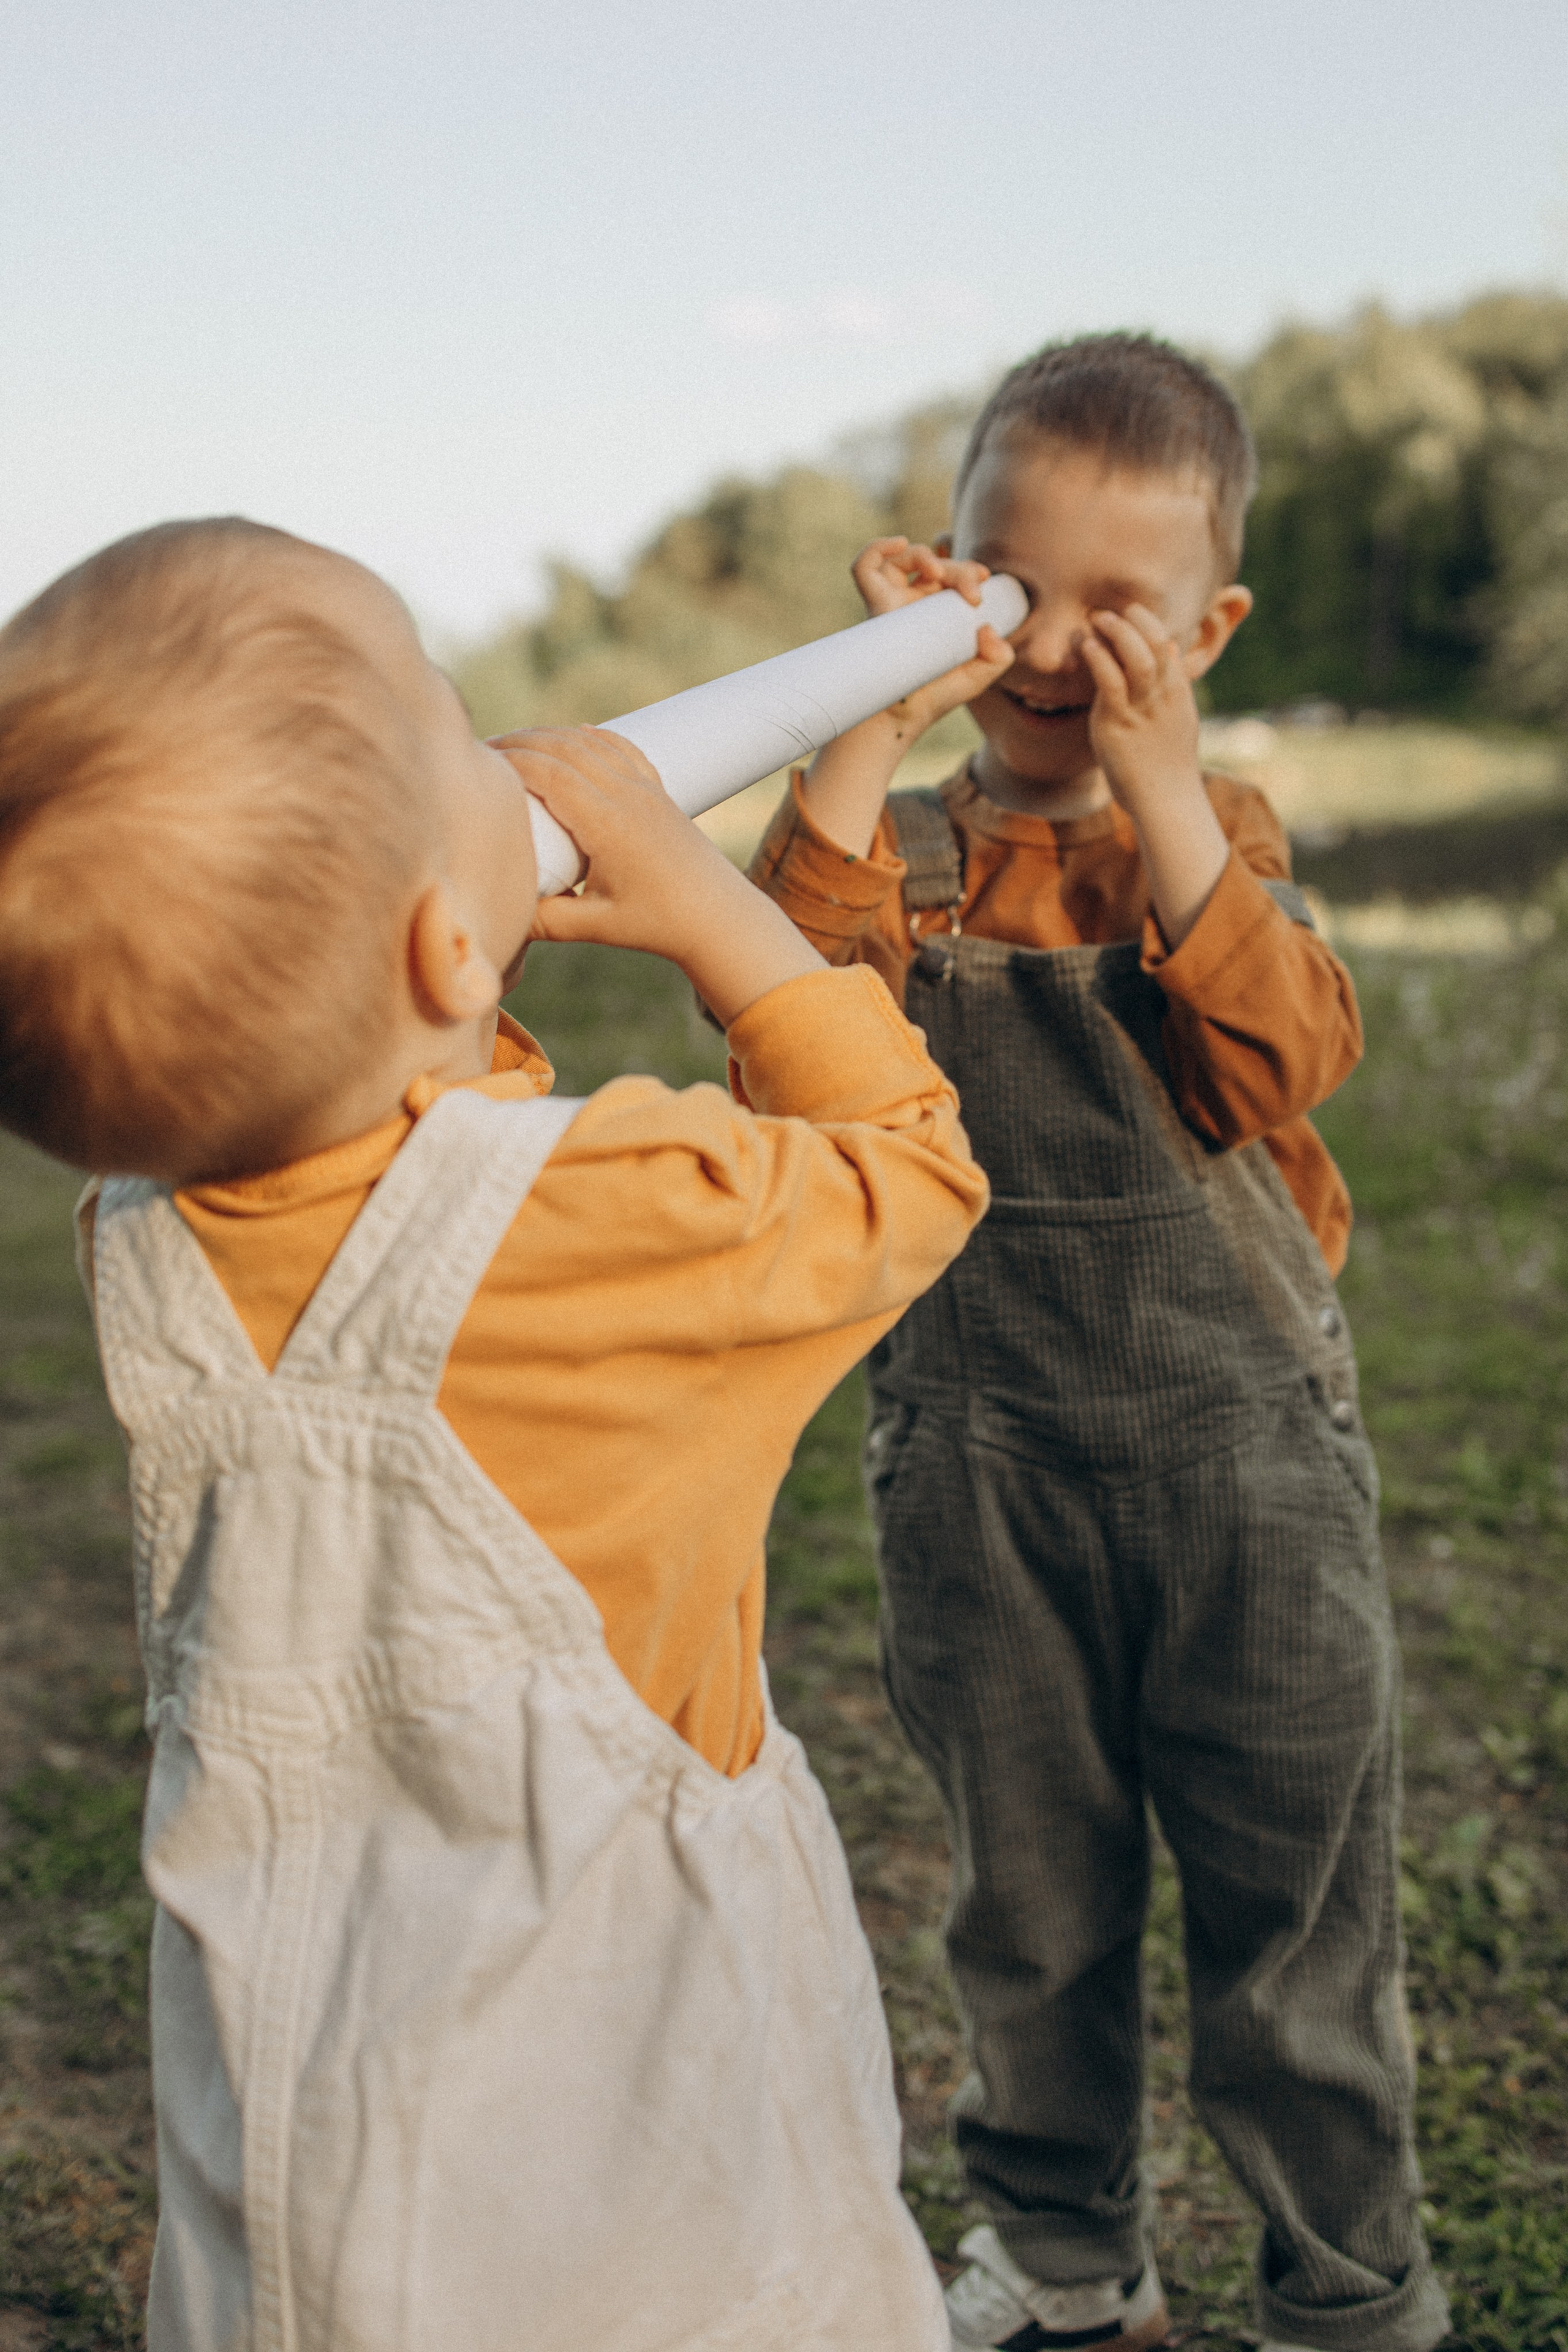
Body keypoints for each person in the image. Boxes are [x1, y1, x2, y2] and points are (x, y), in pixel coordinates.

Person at [0, 516, 990, 2352]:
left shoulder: (148, 1229)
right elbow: (911, 1175)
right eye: (460, 729)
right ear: (456, 943)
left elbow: (371, 1135)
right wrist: (714, 911)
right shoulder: (610, 1213)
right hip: (638, 2137)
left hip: (311, 2155)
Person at [747, 334, 1449, 2352]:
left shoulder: (1207, 834)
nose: (1048, 644)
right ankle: (1061, 2261)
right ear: (939, 569)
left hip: (1246, 1472)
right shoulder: (904, 850)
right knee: (1028, 1908)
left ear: (1209, 626)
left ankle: (1347, 2286)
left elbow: (1279, 1059)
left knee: (1293, 1909)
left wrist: (1159, 781)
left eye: (1112, 608)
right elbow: (801, 1019)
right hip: (981, 1466)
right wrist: (869, 716)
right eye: (1000, 579)